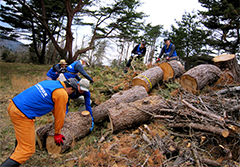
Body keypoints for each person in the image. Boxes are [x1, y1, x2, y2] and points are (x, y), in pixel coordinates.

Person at [0, 79, 79, 167]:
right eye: (71, 92)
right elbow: (60, 116)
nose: (70, 94)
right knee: (28, 149)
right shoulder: (62, 94)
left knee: (22, 138)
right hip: (22, 114)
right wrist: (57, 133)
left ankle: (15, 157)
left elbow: (54, 108)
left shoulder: (51, 83)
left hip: (13, 105)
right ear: (71, 89)